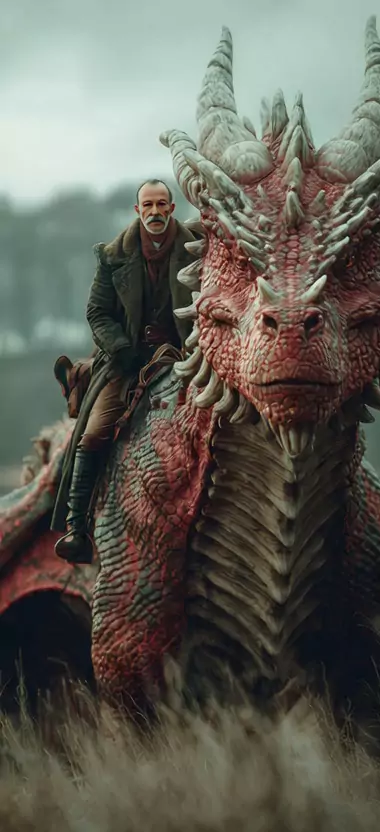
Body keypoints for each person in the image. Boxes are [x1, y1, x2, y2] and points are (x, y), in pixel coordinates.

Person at [51, 179, 200, 565]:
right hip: (125, 361)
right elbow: (97, 312)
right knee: (94, 433)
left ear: (171, 208)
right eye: (147, 205)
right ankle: (77, 527)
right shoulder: (112, 256)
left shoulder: (195, 249)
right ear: (138, 211)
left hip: (185, 356)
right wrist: (120, 349)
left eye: (161, 204)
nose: (155, 211)